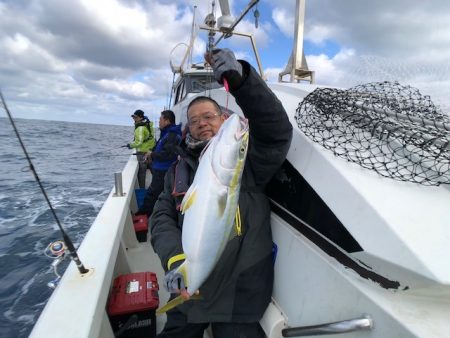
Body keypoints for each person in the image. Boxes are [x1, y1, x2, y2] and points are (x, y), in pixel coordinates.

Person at [150, 49, 293, 338]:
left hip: (238, 295)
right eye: (194, 120)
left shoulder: (249, 164)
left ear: (222, 118)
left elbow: (275, 129)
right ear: (186, 128)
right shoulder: (177, 170)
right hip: (189, 286)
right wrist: (176, 261)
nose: (202, 122)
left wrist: (242, 82)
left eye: (209, 116)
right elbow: (161, 217)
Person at [136, 110, 182, 217]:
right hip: (159, 169)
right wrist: (151, 154)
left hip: (163, 171)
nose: (159, 122)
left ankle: (143, 215)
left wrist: (152, 155)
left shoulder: (172, 134)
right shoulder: (166, 133)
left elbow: (167, 154)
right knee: (155, 193)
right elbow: (159, 148)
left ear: (167, 121)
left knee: (152, 194)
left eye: (160, 119)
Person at [126, 109, 156, 188]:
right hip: (150, 151)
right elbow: (152, 138)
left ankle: (142, 190)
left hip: (142, 153)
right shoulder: (148, 124)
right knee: (154, 170)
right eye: (133, 117)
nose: (134, 119)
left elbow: (138, 142)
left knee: (142, 173)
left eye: (135, 117)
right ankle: (158, 187)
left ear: (140, 117)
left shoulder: (140, 128)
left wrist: (130, 145)